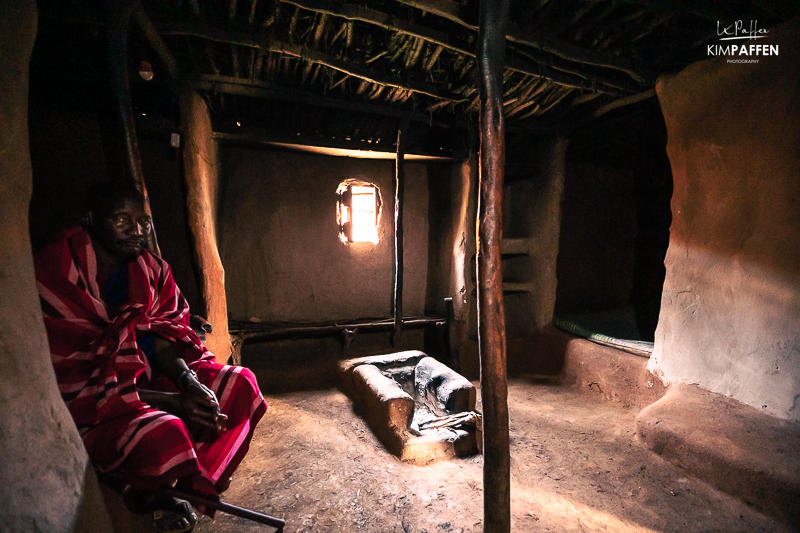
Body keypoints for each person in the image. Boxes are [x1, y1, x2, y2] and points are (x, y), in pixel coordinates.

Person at [34, 183, 267, 533]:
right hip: (98, 403)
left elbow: (162, 333)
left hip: (148, 379)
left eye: (143, 222)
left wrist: (188, 383)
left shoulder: (150, 269)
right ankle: (147, 494)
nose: (137, 231)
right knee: (164, 432)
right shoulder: (59, 273)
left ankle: (191, 475)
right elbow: (77, 381)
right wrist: (173, 402)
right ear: (90, 220)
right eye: (121, 220)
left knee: (238, 383)